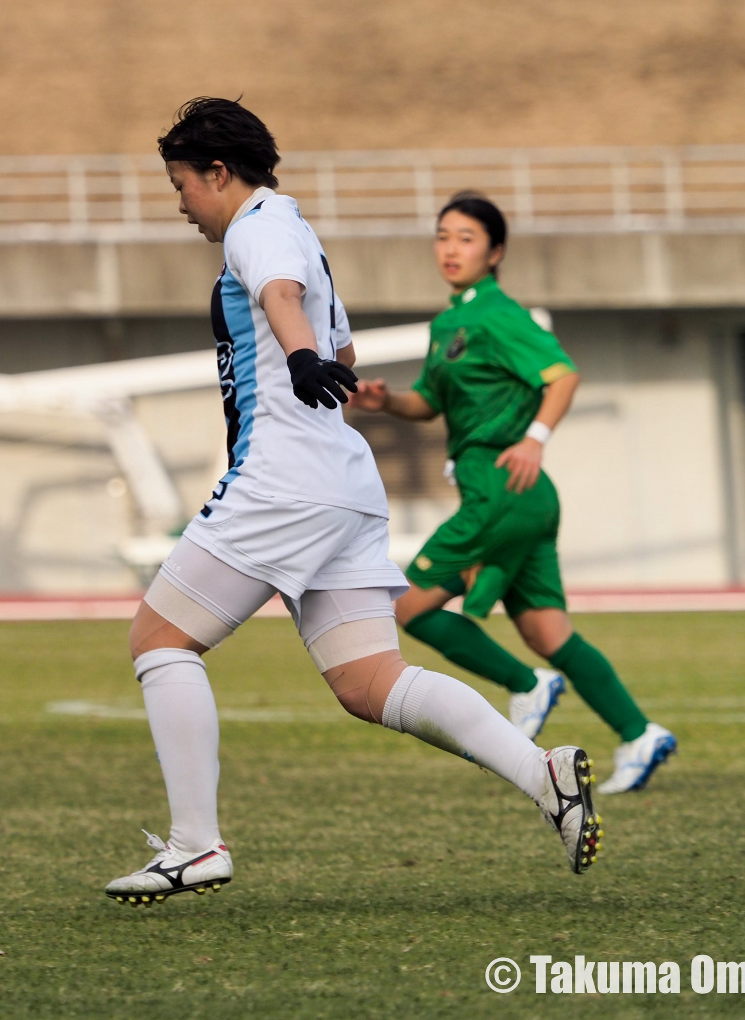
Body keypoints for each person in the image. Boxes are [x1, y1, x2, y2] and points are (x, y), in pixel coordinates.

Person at [105, 99, 603, 907]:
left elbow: (282, 299)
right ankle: (540, 771)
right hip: (341, 484)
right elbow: (342, 347)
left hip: (283, 480)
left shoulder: (254, 229)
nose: (182, 204)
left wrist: (296, 355)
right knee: (370, 682)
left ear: (218, 173)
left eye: (182, 185)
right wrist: (311, 354)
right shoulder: (297, 224)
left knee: (159, 639)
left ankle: (196, 845)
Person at [352, 192, 676, 795]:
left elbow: (562, 374)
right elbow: (428, 402)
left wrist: (535, 438)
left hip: (503, 487)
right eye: (443, 235)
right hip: (518, 496)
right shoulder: (451, 321)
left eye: (466, 237)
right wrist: (385, 402)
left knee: (408, 607)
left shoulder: (496, 313)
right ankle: (639, 732)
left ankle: (526, 685)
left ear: (495, 251)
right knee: (548, 631)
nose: (451, 248)